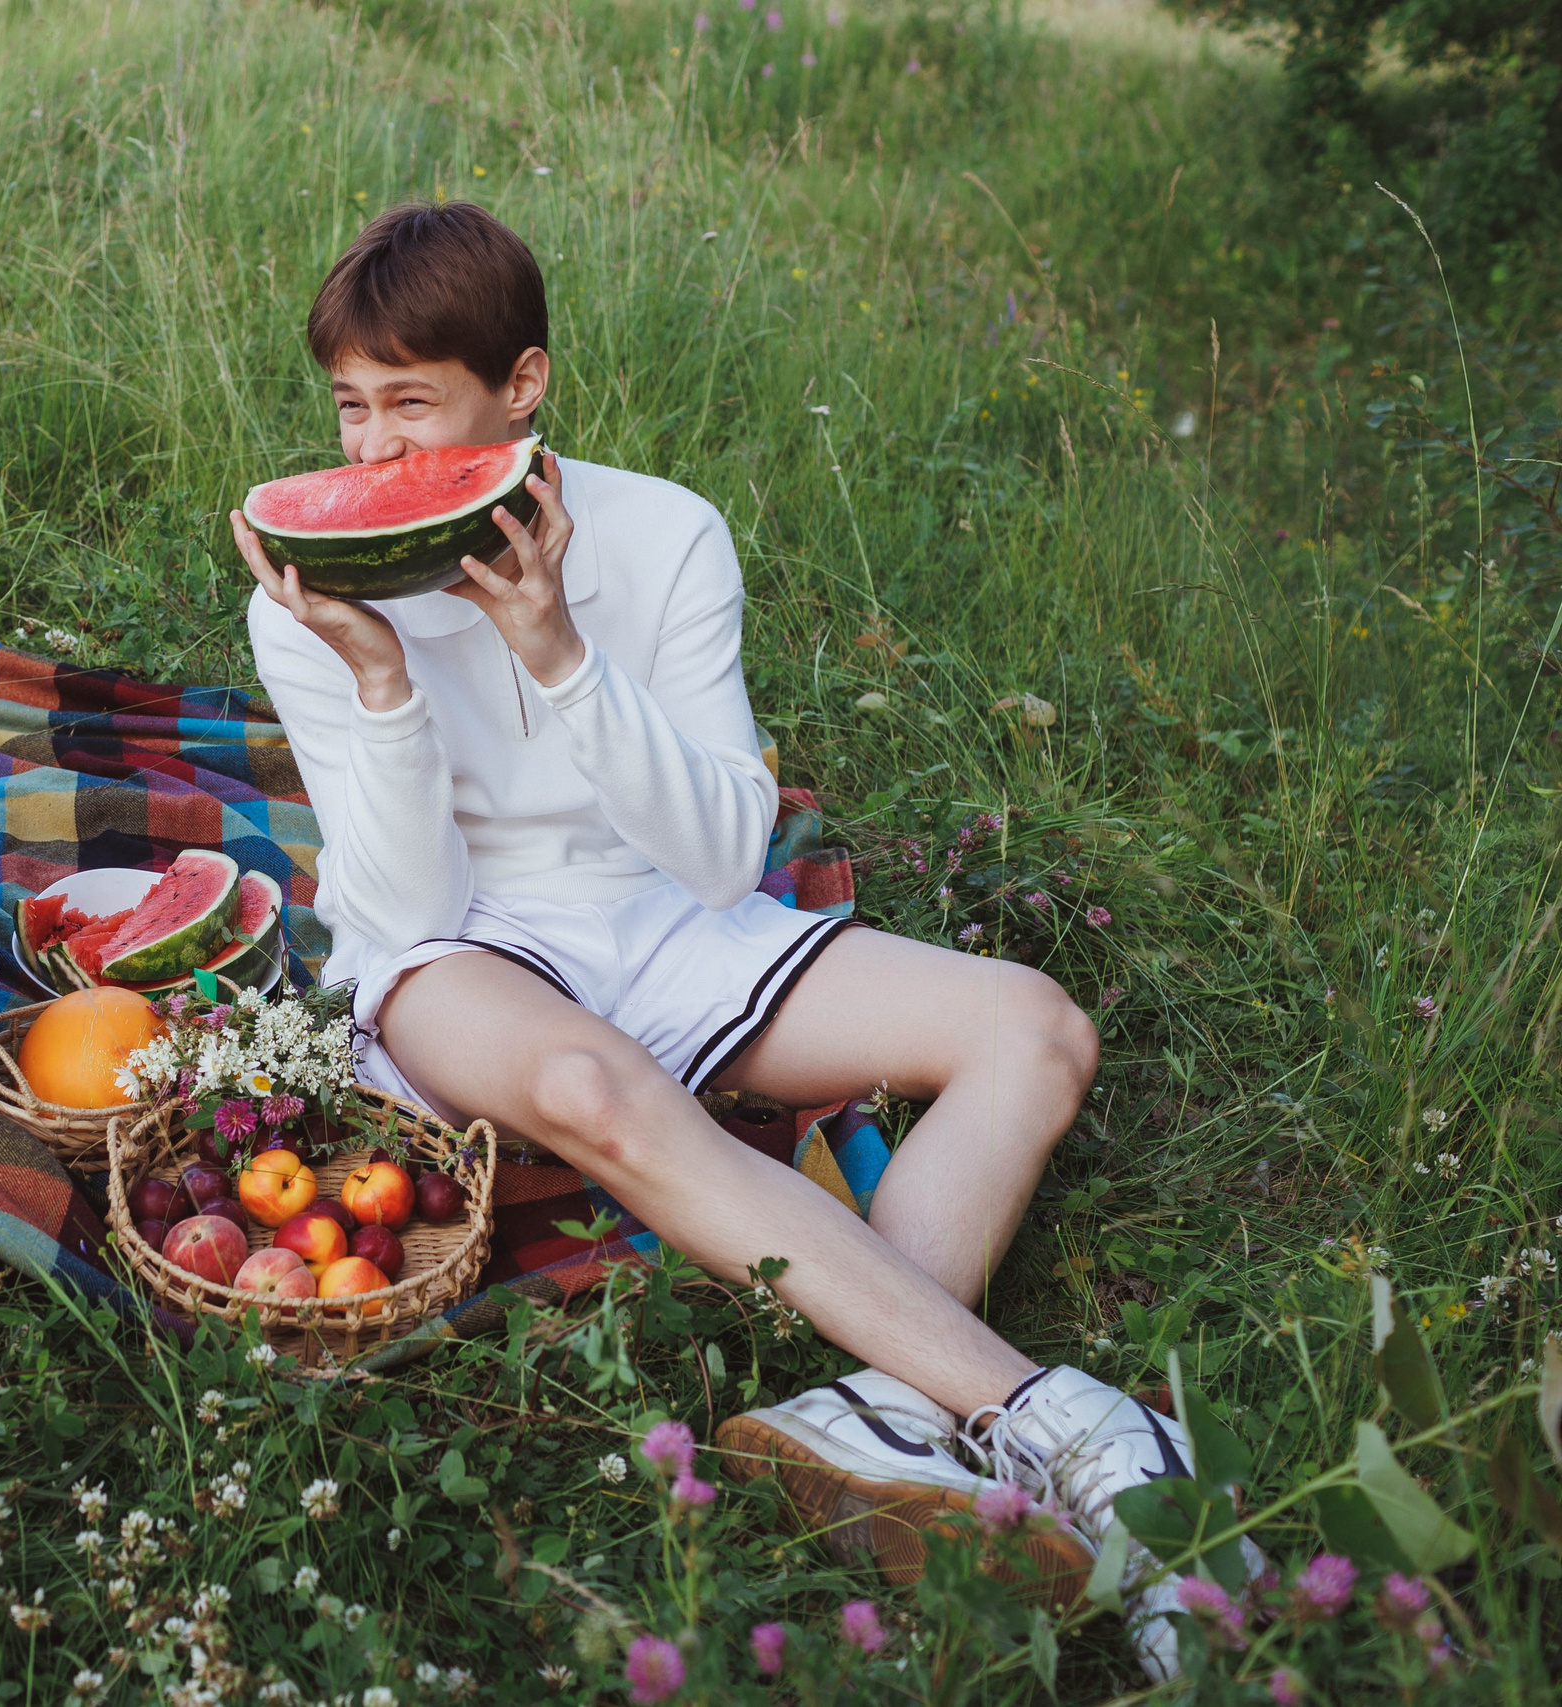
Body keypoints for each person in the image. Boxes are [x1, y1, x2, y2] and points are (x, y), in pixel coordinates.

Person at [234, 204, 1247, 1679]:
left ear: (519, 388)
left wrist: (558, 652)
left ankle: (876, 1419)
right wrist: (381, 679)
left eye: (412, 404)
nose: (376, 455)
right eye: (349, 408)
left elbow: (719, 850)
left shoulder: (667, 531)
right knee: (592, 1089)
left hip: (669, 914)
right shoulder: (314, 604)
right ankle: (1074, 1427)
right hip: (459, 958)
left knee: (1035, 1021)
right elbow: (403, 907)